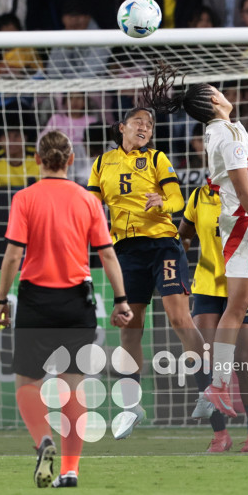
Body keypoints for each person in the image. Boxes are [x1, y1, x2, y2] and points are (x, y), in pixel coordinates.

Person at [142, 62, 248, 417]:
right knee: (238, 306)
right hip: (246, 225)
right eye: (217, 89)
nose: (223, 91)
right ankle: (217, 386)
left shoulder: (232, 128)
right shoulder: (225, 138)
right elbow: (244, 193)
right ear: (214, 100)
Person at [0, 130, 133, 488]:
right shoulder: (87, 200)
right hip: (78, 303)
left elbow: (13, 256)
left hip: (36, 301)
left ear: (37, 159)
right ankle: (70, 471)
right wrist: (121, 300)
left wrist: (1, 300)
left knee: (27, 382)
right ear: (71, 160)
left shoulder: (24, 198)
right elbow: (107, 254)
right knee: (74, 388)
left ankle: (44, 440)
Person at [87, 107, 212, 437]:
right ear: (122, 127)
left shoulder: (157, 158)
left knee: (179, 319)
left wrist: (162, 203)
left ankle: (208, 390)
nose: (144, 127)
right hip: (125, 251)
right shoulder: (101, 164)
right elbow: (90, 206)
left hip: (162, 245)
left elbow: (177, 199)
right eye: (138, 122)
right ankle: (132, 405)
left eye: (149, 124)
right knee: (130, 327)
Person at [179, 180, 248, 453]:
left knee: (243, 362)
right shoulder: (198, 196)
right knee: (201, 358)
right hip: (207, 285)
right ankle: (220, 435)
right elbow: (183, 237)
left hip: (243, 283)